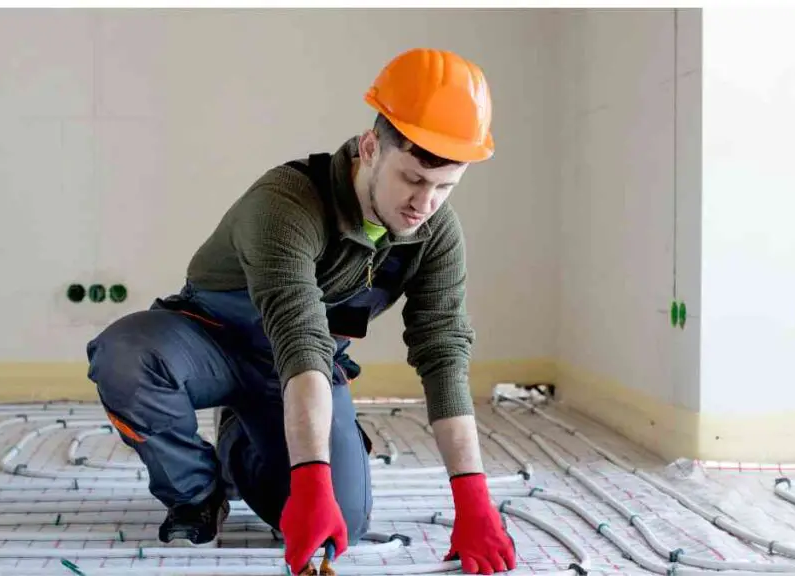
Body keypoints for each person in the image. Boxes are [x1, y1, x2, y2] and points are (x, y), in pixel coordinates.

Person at [85, 47, 516, 575]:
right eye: (412, 180)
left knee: (346, 523)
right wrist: (310, 477)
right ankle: (197, 494)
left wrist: (472, 500)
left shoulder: (433, 233)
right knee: (125, 356)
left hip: (291, 371)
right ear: (369, 148)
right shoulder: (287, 203)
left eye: (444, 188)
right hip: (209, 341)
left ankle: (240, 446)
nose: (424, 205)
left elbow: (443, 352)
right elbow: (299, 332)